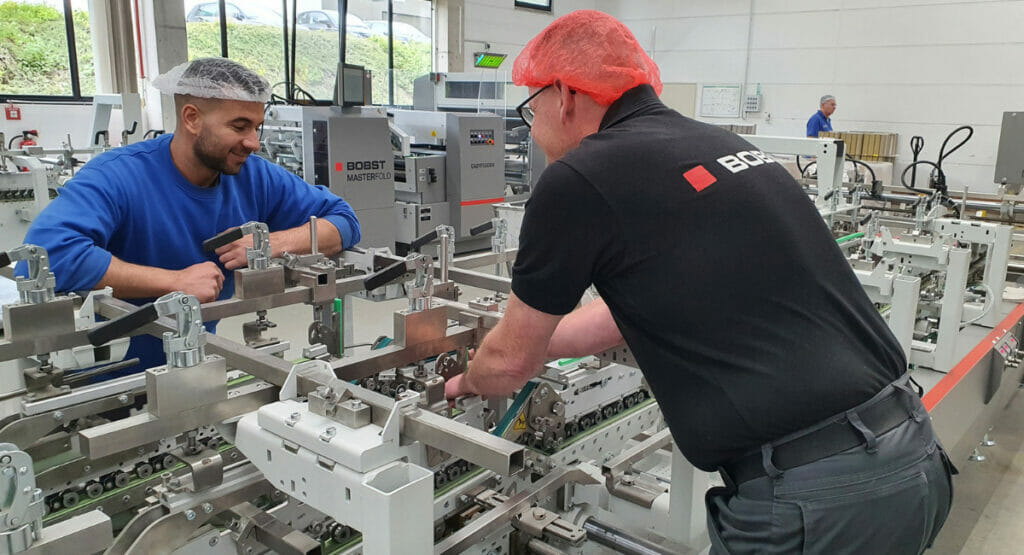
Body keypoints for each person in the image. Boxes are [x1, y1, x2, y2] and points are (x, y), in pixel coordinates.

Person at [444, 11, 952, 554]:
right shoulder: (723, 144)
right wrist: (542, 337)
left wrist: (470, 378)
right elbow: (648, 299)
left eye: (530, 106)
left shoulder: (578, 177)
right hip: (914, 459)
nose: (532, 123)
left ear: (565, 93)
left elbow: (508, 367)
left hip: (813, 502)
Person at [17, 58, 361, 374]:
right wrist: (175, 282)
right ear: (192, 118)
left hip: (195, 366)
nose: (253, 142)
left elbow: (344, 220)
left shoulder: (255, 176)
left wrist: (272, 243)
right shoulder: (118, 176)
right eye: (240, 126)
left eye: (257, 126)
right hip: (105, 380)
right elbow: (46, 258)